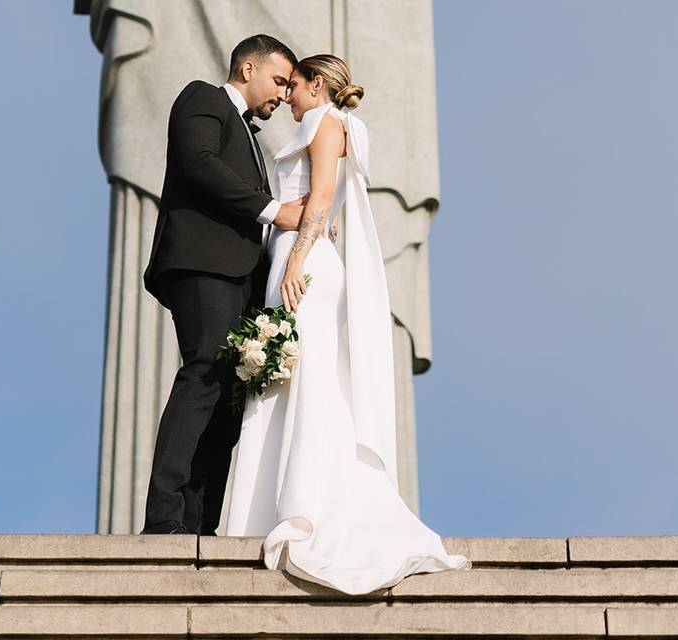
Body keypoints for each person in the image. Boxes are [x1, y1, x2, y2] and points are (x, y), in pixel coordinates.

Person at [225, 54, 472, 593]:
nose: (287, 96)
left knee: (304, 380)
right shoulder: (337, 124)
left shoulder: (323, 121)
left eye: (294, 86)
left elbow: (323, 195)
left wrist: (296, 259)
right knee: (303, 379)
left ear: (318, 86)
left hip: (302, 260)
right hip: (306, 255)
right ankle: (292, 500)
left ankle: (301, 506)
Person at [140, 35, 309, 536]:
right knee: (205, 371)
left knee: (230, 395)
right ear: (247, 68)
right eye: (278, 80)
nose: (282, 94)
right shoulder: (203, 98)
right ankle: (164, 517)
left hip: (244, 277)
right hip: (202, 263)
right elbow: (199, 163)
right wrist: (275, 209)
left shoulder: (252, 136)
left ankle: (198, 524)